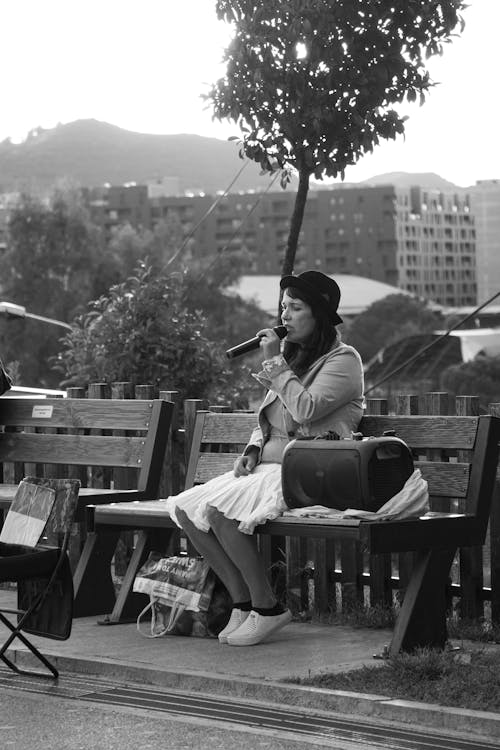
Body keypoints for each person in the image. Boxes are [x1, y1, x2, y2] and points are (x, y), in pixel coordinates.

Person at [164, 270, 364, 646]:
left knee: (221, 512)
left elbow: (305, 410)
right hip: (274, 465)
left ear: (318, 315)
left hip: (313, 468)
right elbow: (271, 418)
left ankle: (268, 607)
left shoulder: (344, 361)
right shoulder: (294, 358)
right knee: (186, 510)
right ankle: (243, 603)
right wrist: (253, 449)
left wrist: (274, 365)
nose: (285, 316)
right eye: (284, 307)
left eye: (296, 308)